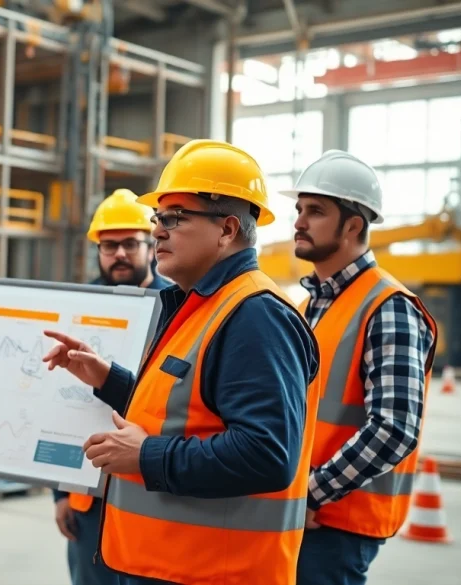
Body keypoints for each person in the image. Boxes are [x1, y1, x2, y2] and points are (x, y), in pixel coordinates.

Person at [43, 139, 321, 585]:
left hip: (215, 572)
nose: (157, 232)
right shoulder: (199, 305)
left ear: (227, 229)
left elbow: (267, 455)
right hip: (172, 565)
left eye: (174, 218)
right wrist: (107, 378)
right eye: (158, 219)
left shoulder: (255, 316)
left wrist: (147, 455)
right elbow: (180, 413)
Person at [278, 150, 437, 585]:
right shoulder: (310, 304)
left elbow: (395, 428)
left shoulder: (389, 308)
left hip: (335, 525)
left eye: (315, 211)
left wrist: (312, 493)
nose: (299, 222)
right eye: (299, 209)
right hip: (294, 512)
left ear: (353, 225)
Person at [53, 188, 168, 585]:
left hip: (151, 482)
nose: (118, 253)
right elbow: (59, 403)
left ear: (151, 244)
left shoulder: (181, 303)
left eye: (129, 243)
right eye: (109, 245)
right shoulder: (80, 304)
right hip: (88, 491)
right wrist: (60, 493)